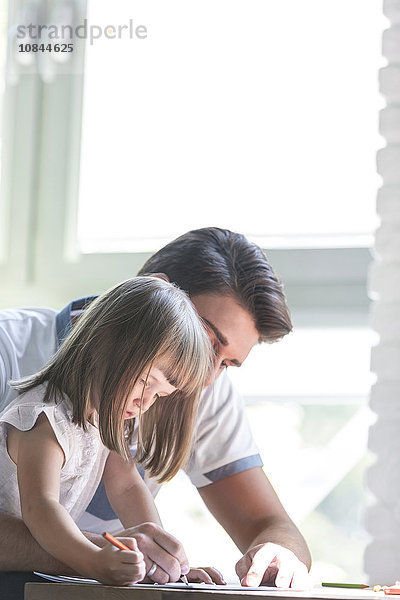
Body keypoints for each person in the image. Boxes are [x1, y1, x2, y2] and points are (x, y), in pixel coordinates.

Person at [0, 227, 311, 591]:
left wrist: (171, 563)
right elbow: (42, 506)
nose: (202, 378)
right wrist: (97, 555)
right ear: (150, 299)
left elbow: (267, 523)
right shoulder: (17, 362)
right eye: (202, 337)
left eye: (226, 364)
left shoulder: (189, 389)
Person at [0, 277, 215, 588]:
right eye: (145, 381)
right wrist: (91, 560)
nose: (145, 403)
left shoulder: (103, 419)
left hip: (35, 570)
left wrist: (167, 565)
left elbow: (128, 486)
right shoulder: (43, 419)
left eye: (158, 395)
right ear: (105, 342)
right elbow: (40, 507)